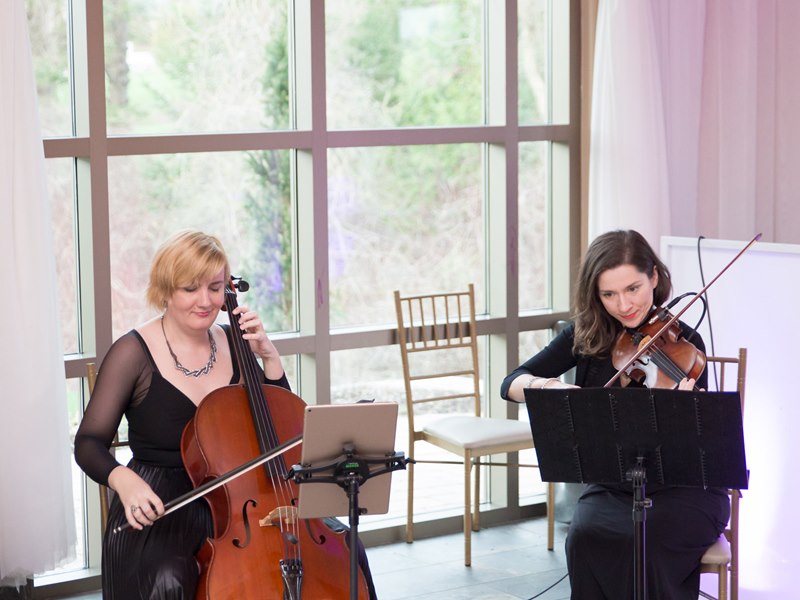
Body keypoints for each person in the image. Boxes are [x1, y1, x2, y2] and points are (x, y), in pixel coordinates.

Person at [75, 230, 377, 599]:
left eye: (215, 288)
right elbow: (88, 443)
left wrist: (269, 358)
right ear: (166, 290)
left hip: (246, 491)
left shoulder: (235, 341)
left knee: (347, 550)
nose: (205, 301)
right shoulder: (132, 353)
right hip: (164, 499)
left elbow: (281, 430)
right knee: (169, 577)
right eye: (190, 289)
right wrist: (123, 480)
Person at [500, 229, 730, 600]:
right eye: (609, 294)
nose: (624, 306)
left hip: (684, 489)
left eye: (633, 289)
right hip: (614, 485)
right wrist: (551, 388)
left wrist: (688, 413)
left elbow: (709, 442)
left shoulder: (685, 342)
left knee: (649, 541)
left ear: (654, 277)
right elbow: (511, 382)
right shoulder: (586, 335)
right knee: (586, 535)